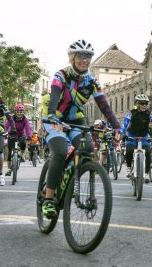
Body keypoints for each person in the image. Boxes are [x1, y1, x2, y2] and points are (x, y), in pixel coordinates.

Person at [41, 39, 120, 219]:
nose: (85, 60)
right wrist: (53, 116)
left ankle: (71, 174)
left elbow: (104, 106)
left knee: (87, 149)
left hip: (76, 120)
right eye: (81, 56)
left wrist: (117, 126)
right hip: (55, 119)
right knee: (60, 152)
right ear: (72, 58)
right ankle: (49, 198)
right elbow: (53, 97)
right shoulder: (60, 75)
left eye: (88, 56)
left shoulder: (92, 81)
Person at [119, 94, 152, 183]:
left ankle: (146, 173)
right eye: (142, 103)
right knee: (129, 150)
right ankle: (129, 167)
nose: (144, 105)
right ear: (137, 103)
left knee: (148, 152)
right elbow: (125, 124)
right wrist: (122, 132)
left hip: (144, 136)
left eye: (146, 103)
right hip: (132, 135)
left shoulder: (150, 113)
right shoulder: (131, 112)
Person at [5, 104, 32, 176]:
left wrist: (29, 136)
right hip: (12, 135)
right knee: (10, 152)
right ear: (15, 112)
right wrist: (5, 132)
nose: (19, 113)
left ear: (23, 112)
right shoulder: (11, 118)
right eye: (17, 111)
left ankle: (22, 154)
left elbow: (28, 128)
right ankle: (9, 169)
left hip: (21, 135)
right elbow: (6, 125)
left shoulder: (25, 119)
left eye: (21, 112)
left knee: (23, 143)